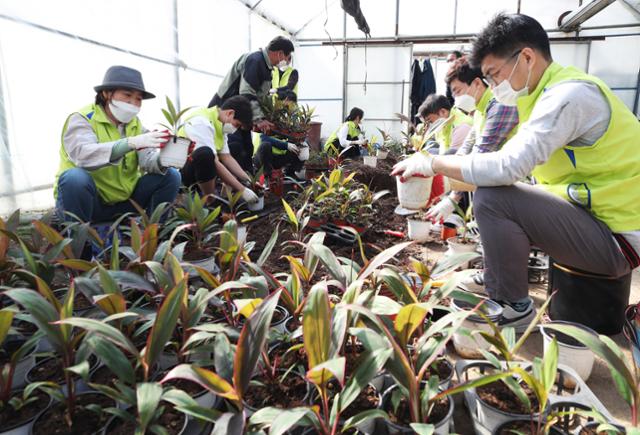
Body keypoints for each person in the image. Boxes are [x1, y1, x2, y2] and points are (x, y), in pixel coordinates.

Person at [392, 13, 640, 331]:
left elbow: (508, 166)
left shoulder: (568, 97)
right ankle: (497, 279)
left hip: (618, 237)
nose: (494, 87)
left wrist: (433, 164)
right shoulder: (540, 96)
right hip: (596, 219)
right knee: (494, 193)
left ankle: (513, 305)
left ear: (526, 57)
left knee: (493, 196)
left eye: (495, 75)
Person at [55, 65, 181, 227]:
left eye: (138, 99)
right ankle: (78, 241)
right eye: (127, 95)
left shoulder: (136, 125)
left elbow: (147, 162)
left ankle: (152, 235)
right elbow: (83, 155)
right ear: (106, 94)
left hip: (125, 202)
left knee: (171, 175)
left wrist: (166, 157)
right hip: (89, 202)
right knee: (74, 178)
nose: (133, 103)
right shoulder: (83, 119)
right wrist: (130, 143)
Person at [426, 58, 519, 226]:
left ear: (476, 83)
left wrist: (452, 198)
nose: (455, 99)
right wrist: (446, 192)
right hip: (497, 176)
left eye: (458, 91)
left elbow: (479, 155)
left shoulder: (501, 106)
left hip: (516, 180)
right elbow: (465, 150)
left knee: (482, 194)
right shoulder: (479, 111)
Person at [208, 36, 295, 174]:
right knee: (234, 148)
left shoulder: (267, 68)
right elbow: (247, 92)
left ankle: (247, 182)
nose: (286, 60)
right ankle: (229, 187)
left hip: (241, 114)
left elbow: (262, 97)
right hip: (226, 112)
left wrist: (267, 118)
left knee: (247, 149)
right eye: (287, 56)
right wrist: (259, 119)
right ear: (279, 53)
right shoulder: (255, 60)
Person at [179, 96, 259, 204]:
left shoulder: (220, 124)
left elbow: (226, 157)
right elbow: (214, 162)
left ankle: (212, 193)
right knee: (206, 155)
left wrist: (249, 180)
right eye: (237, 125)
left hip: (198, 170)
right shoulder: (202, 122)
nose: (236, 129)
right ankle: (210, 200)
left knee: (232, 148)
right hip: (182, 172)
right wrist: (242, 189)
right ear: (230, 113)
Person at [253, 91, 308, 180]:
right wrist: (286, 145)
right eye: (292, 103)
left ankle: (290, 173)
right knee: (265, 145)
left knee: (303, 146)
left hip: (279, 158)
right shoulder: (269, 117)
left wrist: (301, 140)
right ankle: (267, 176)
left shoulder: (289, 119)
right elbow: (264, 138)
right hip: (263, 157)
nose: (292, 106)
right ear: (285, 100)